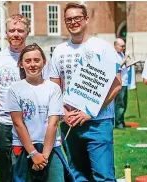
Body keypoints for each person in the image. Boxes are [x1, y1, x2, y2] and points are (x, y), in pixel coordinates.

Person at [49, 3, 122, 181]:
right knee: (78, 176)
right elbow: (54, 87)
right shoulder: (59, 51)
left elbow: (117, 84)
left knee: (103, 176)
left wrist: (90, 111)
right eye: (69, 19)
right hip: (71, 122)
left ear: (86, 19)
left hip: (98, 122)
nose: (73, 22)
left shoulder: (103, 47)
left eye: (77, 18)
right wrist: (63, 112)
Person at [8, 44, 74, 182]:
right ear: (21, 64)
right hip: (23, 147)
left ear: (44, 62)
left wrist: (44, 156)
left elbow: (53, 123)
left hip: (50, 148)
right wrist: (33, 153)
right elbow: (18, 123)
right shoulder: (15, 89)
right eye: (28, 61)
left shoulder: (53, 88)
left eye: (36, 60)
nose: (32, 64)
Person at [0, 14, 30, 182]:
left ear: (27, 32)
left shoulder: (35, 57)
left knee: (30, 168)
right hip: (4, 123)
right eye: (12, 30)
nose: (16, 34)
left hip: (29, 122)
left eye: (20, 30)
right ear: (6, 33)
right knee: (6, 169)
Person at [114, 38, 135, 129]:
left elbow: (123, 66)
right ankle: (118, 123)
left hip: (125, 82)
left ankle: (121, 121)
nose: (123, 48)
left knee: (124, 103)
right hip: (119, 82)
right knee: (120, 104)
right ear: (116, 46)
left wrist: (129, 63)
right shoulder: (113, 55)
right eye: (121, 46)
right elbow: (117, 66)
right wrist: (125, 58)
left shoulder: (121, 54)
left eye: (124, 46)